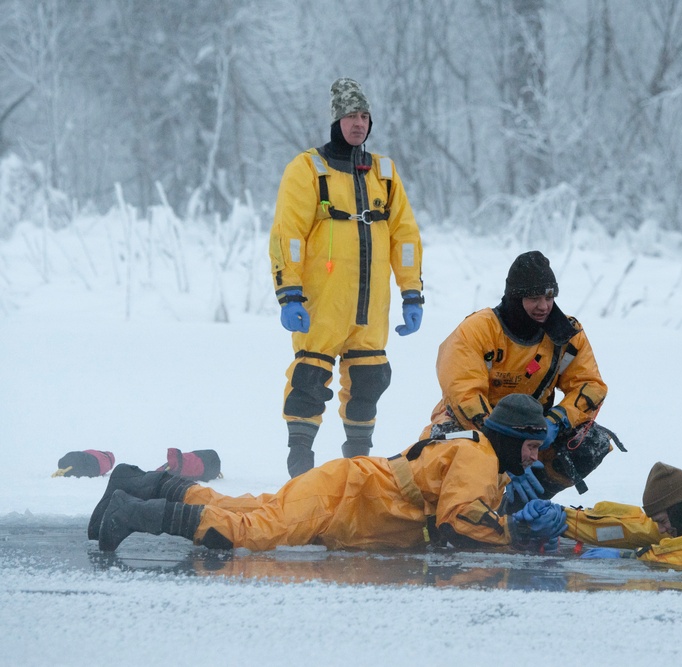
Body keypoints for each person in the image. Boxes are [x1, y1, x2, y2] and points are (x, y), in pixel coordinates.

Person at [91, 394, 567, 553]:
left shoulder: (480, 451)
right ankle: (134, 513)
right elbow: (456, 520)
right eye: (529, 446)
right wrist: (512, 531)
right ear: (508, 437)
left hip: (348, 495)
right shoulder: (480, 458)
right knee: (252, 530)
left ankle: (138, 483)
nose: (532, 457)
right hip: (345, 495)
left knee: (245, 507)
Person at [269, 77, 424, 478]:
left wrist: (412, 292)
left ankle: (357, 463)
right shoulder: (308, 169)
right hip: (322, 304)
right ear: (336, 120)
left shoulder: (384, 173)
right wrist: (289, 293)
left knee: (370, 381)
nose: (358, 123)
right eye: (351, 116)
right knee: (309, 379)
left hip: (370, 309)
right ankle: (300, 461)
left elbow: (405, 236)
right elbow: (288, 235)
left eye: (364, 116)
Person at [421, 250, 617, 509]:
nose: (544, 306)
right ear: (515, 297)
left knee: (592, 442)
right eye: (534, 298)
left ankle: (522, 507)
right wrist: (504, 450)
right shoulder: (477, 330)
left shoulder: (565, 335)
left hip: (534, 432)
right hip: (476, 426)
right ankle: (458, 508)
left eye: (549, 297)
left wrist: (556, 422)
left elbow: (590, 386)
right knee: (455, 451)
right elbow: (464, 394)